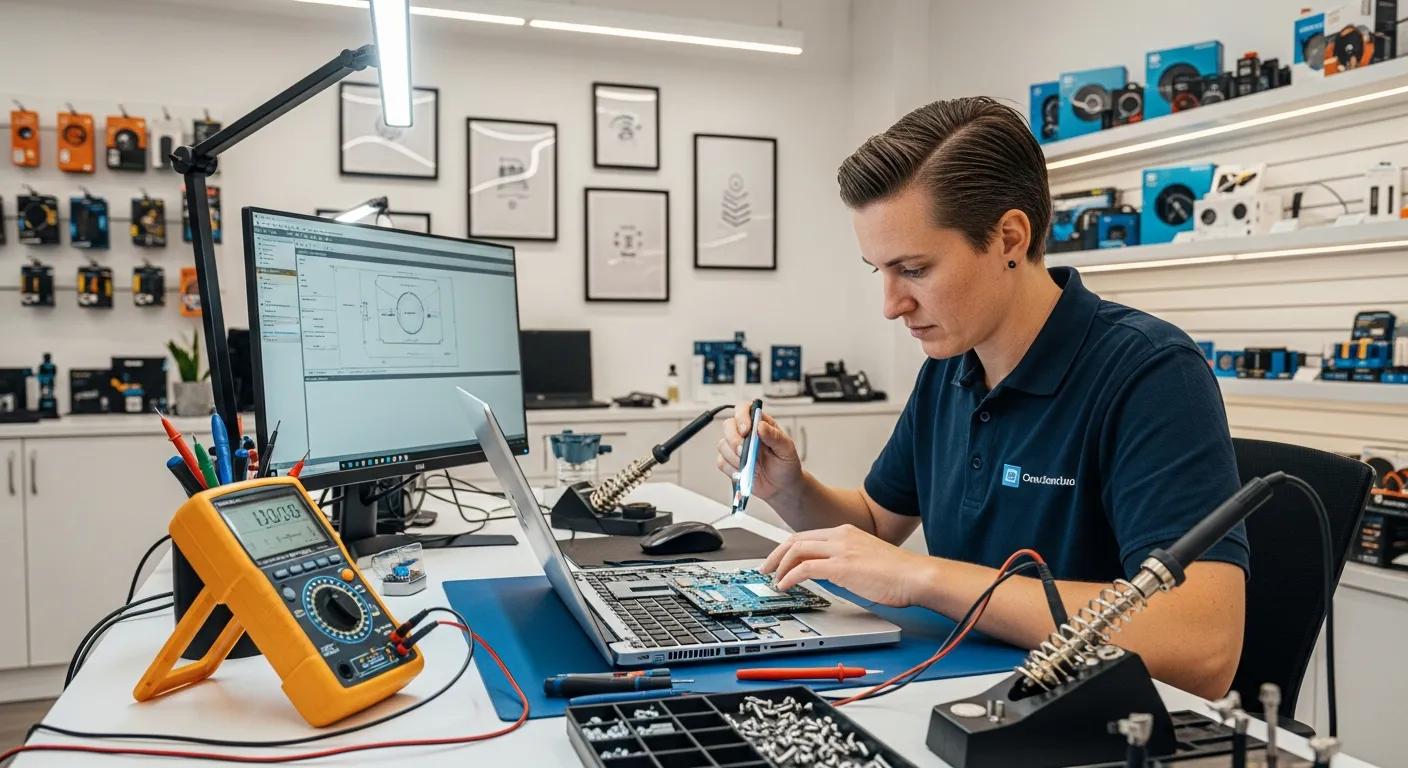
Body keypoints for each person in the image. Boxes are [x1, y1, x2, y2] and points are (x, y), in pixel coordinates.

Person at [716, 97, 1248, 699]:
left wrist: (924, 577)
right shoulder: (950, 367)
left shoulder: (1149, 372)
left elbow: (1202, 643)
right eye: (878, 271)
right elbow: (875, 524)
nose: (891, 305)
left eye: (914, 269)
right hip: (964, 691)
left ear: (1009, 238)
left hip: (1093, 717)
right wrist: (789, 488)